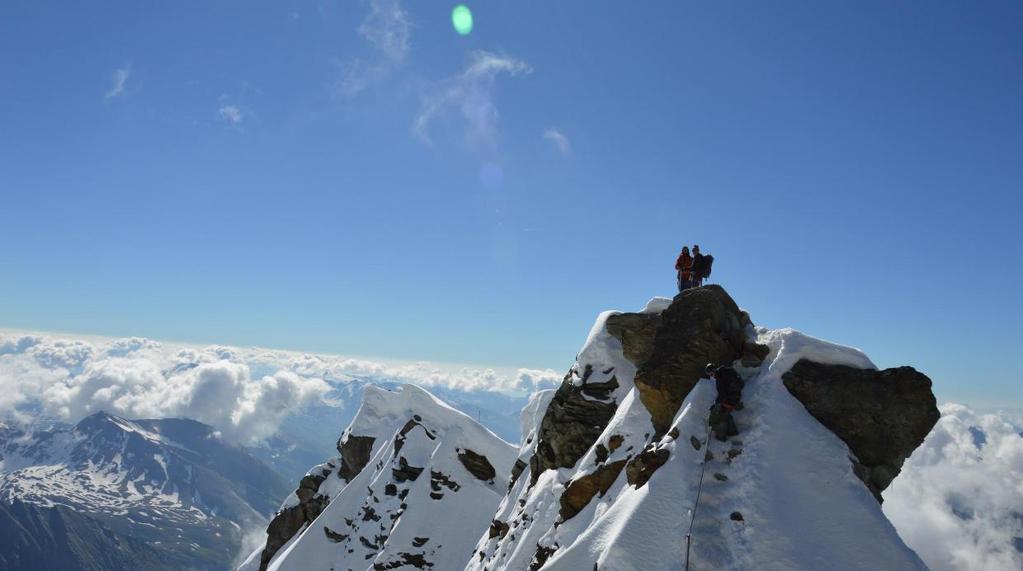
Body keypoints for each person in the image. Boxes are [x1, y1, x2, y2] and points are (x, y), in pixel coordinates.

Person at [704, 364, 744, 441]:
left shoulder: (720, 378)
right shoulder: (726, 370)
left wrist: (716, 404)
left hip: (731, 398)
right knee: (725, 412)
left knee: (721, 414)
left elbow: (722, 394)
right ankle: (732, 431)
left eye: (711, 373)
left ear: (713, 370)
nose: (711, 376)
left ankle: (721, 436)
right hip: (737, 395)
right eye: (709, 374)